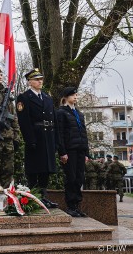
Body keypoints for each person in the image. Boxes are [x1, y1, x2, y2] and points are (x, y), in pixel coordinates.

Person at [15, 68, 58, 208]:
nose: (40, 81)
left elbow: (54, 119)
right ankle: (35, 197)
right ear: (30, 82)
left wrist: (55, 140)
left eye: (41, 79)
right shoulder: (24, 97)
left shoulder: (47, 97)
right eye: (37, 79)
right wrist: (30, 139)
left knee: (46, 168)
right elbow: (24, 121)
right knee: (35, 169)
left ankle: (44, 196)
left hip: (48, 136)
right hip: (35, 136)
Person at [56, 86, 89, 217]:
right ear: (66, 97)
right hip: (70, 150)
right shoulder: (61, 112)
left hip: (80, 149)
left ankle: (76, 206)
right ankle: (70, 206)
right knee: (71, 177)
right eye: (73, 95)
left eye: (76, 94)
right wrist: (62, 152)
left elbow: (84, 133)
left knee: (79, 178)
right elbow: (60, 134)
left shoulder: (79, 114)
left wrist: (87, 153)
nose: (76, 97)